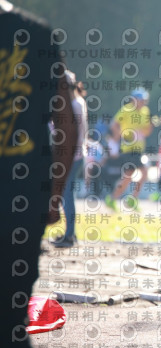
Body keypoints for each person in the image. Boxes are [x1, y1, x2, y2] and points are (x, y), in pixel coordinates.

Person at [1, 3, 77, 348]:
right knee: (10, 319)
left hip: (23, 200)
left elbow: (65, 118)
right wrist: (55, 194)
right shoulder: (38, 33)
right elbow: (65, 118)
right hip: (25, 199)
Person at [52, 71, 88, 248]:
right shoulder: (76, 102)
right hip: (74, 154)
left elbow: (71, 132)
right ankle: (69, 233)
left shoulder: (75, 104)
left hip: (73, 155)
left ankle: (69, 234)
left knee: (66, 195)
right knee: (66, 194)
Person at [104, 87, 152, 211]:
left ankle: (117, 198)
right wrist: (119, 135)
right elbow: (114, 124)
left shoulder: (145, 111)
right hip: (128, 149)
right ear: (133, 99)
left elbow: (147, 130)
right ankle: (127, 199)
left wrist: (146, 129)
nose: (143, 102)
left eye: (144, 100)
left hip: (139, 149)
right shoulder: (126, 109)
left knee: (131, 175)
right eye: (141, 99)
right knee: (138, 173)